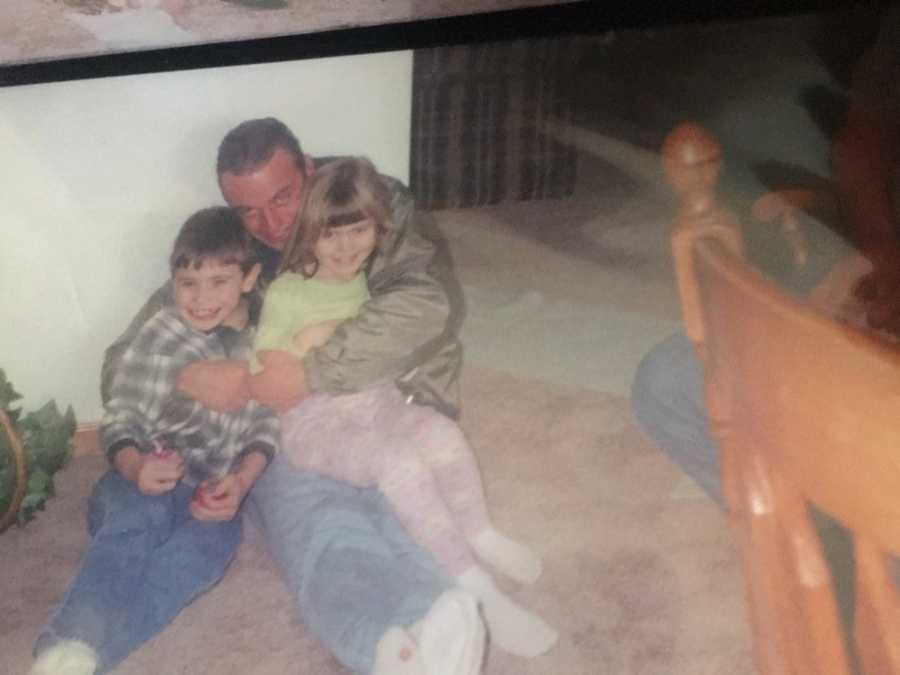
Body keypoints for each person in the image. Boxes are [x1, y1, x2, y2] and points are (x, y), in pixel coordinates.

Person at [99, 118, 492, 675]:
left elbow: (425, 306)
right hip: (287, 424)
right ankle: (390, 646)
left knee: (399, 499)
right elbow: (125, 359)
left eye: (283, 197)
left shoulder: (363, 200)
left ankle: (435, 617)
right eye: (249, 210)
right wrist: (184, 374)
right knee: (318, 519)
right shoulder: (234, 249)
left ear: (309, 168)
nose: (273, 222)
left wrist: (313, 371)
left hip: (393, 396)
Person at [252, 156, 557, 657]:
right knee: (399, 463)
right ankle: (475, 586)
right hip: (313, 422)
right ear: (309, 234)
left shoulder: (366, 280)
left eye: (358, 230)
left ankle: (480, 532)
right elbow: (268, 366)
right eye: (331, 235)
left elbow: (411, 318)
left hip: (375, 399)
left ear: (379, 227)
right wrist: (315, 339)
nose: (346, 247)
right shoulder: (288, 289)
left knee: (441, 434)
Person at [631, 6, 900, 507]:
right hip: (877, 270)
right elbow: (864, 142)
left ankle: (855, 539)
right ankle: (808, 537)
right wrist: (876, 251)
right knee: (667, 382)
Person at [29, 207, 280, 675]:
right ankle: (72, 639)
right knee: (134, 526)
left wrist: (241, 484)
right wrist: (134, 466)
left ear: (249, 278)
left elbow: (267, 427)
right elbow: (121, 414)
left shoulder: (267, 343)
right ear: (173, 283)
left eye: (219, 282)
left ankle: (86, 658)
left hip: (210, 493)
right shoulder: (161, 333)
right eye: (188, 284)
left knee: (201, 557)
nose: (201, 299)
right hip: (136, 481)